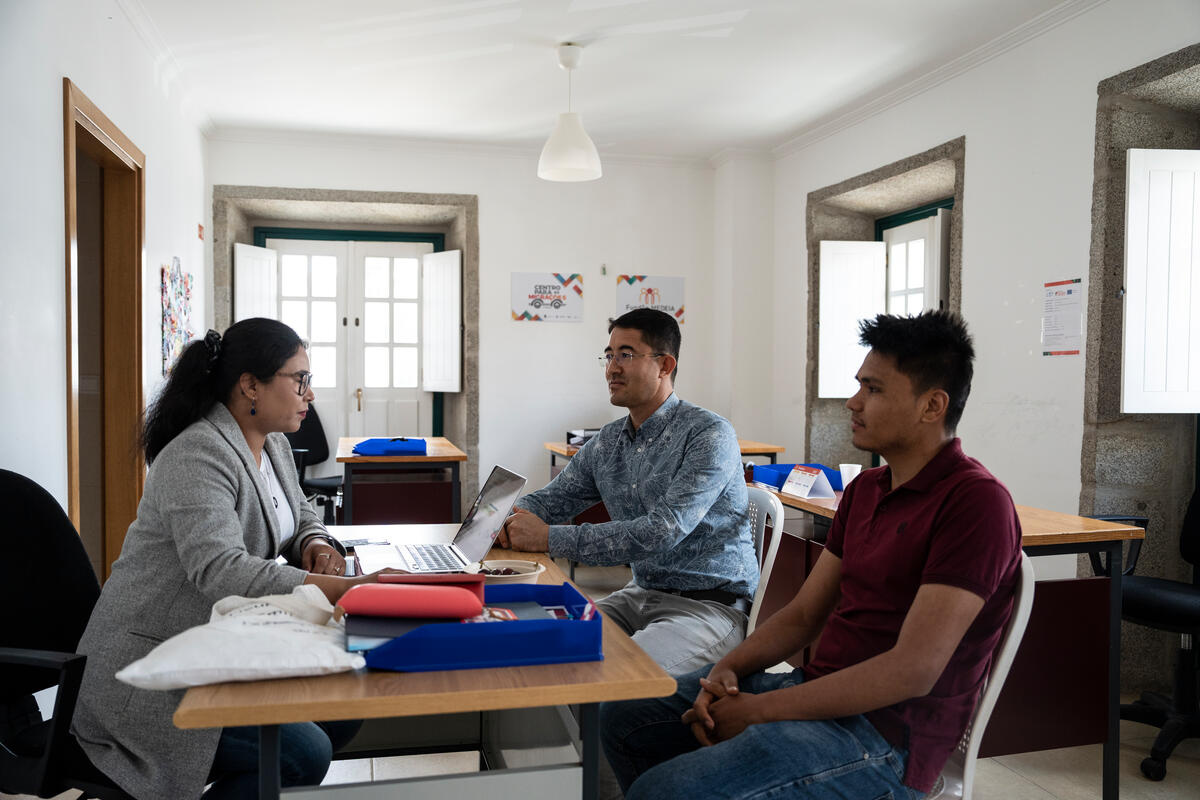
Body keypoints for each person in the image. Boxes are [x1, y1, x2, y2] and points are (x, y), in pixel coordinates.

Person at [600, 310, 1023, 800]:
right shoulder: (867, 488)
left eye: (874, 389)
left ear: (932, 405)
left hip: (886, 742)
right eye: (859, 385)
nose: (853, 401)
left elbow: (913, 669)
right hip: (816, 694)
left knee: (665, 790)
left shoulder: (975, 503)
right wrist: (727, 670)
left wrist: (758, 712)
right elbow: (802, 616)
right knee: (626, 717)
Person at [71, 318, 390, 800]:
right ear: (250, 386)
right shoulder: (197, 454)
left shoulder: (274, 444)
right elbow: (222, 571)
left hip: (215, 647)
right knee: (304, 753)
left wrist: (317, 547)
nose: (311, 393)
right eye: (299, 379)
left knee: (342, 707)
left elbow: (300, 513)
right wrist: (343, 589)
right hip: (149, 672)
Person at [498, 308, 759, 677]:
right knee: (542, 650)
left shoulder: (708, 434)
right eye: (608, 355)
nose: (611, 368)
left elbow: (662, 531)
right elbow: (551, 500)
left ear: (665, 365)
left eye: (626, 355)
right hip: (639, 594)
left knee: (619, 677)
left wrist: (547, 537)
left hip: (708, 607)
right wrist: (507, 518)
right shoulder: (609, 441)